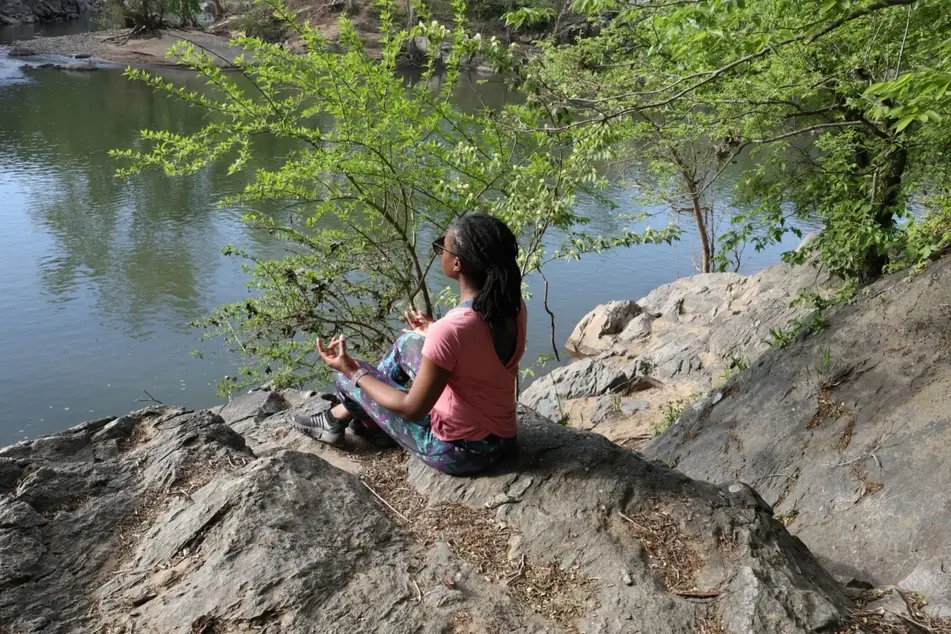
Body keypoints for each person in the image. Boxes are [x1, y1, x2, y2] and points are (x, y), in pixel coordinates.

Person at [292, 213, 527, 476]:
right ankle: (364, 424)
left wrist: (353, 371)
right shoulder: (511, 307)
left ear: (458, 263)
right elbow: (476, 350)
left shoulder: (452, 329)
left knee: (347, 378)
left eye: (442, 246)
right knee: (408, 342)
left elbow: (412, 409)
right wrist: (433, 330)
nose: (439, 253)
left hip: (462, 452)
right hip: (502, 435)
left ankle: (339, 420)